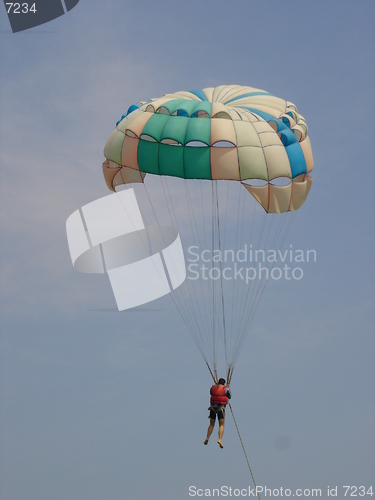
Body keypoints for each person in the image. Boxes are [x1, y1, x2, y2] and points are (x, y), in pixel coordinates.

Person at [204, 378, 231, 449]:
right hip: (220, 408)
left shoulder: (213, 388)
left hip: (212, 408)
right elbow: (229, 396)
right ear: (224, 383)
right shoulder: (225, 389)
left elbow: (211, 392)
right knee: (221, 425)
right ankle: (220, 439)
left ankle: (207, 437)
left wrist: (216, 385)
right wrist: (228, 388)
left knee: (211, 424)